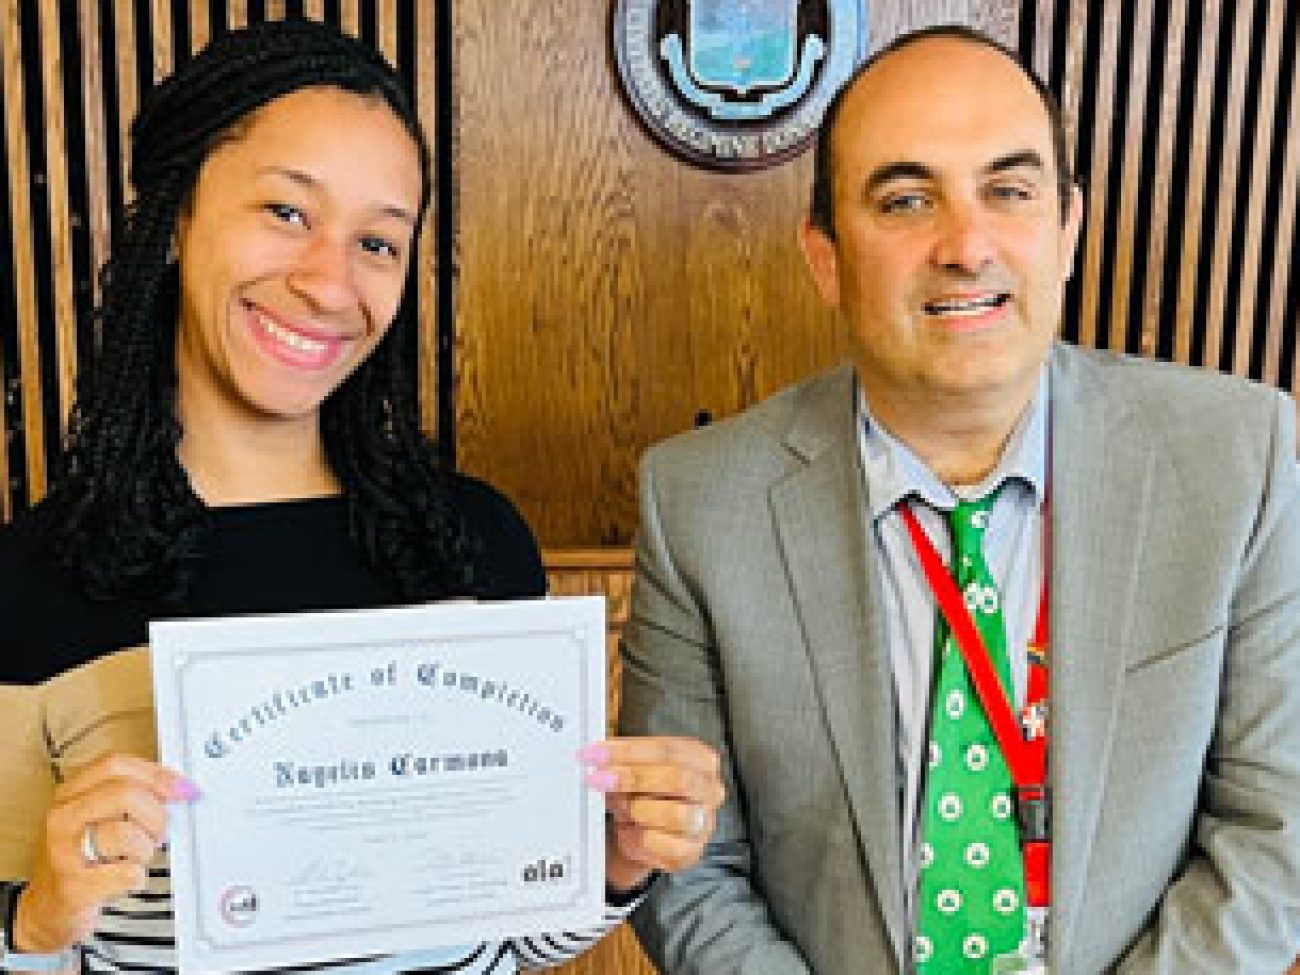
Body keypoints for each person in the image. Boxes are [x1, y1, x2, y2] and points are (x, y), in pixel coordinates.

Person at [0, 18, 723, 974]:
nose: (329, 283)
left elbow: (518, 936)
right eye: (287, 213)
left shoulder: (474, 546)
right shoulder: (31, 582)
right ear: (177, 216)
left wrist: (621, 858)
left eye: (378, 241)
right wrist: (37, 918)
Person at [619, 23, 1300, 975]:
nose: (966, 243)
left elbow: (1276, 830)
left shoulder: (1242, 456)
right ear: (826, 256)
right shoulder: (699, 500)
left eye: (1009, 192)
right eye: (905, 200)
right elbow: (689, 869)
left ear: (1066, 230)